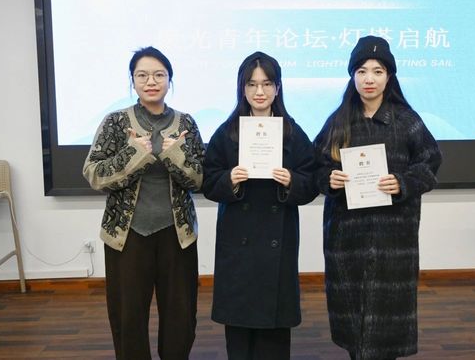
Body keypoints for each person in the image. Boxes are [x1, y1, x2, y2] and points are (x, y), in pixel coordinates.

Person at [313, 36, 442, 360]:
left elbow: (430, 164)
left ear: (389, 76)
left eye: (378, 71)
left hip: (393, 239)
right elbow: (315, 166)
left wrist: (402, 183)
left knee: (387, 327)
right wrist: (328, 178)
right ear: (352, 75)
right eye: (361, 71)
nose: (369, 79)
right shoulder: (338, 121)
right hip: (347, 238)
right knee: (353, 323)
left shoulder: (407, 121)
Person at [82, 46, 205, 360]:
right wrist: (134, 153)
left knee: (180, 316)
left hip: (177, 235)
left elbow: (200, 179)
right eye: (143, 75)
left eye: (159, 75)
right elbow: (94, 174)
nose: (151, 81)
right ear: (133, 81)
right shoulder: (115, 122)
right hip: (127, 236)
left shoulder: (186, 123)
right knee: (128, 317)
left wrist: (175, 155)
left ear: (169, 80)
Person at [202, 51, 319, 360]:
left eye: (267, 84)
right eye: (252, 84)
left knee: (274, 336)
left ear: (278, 88)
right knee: (239, 333)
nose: (259, 92)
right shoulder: (227, 132)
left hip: (277, 242)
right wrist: (229, 179)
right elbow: (207, 180)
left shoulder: (292, 132)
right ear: (242, 88)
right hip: (237, 242)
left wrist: (292, 180)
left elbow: (312, 180)